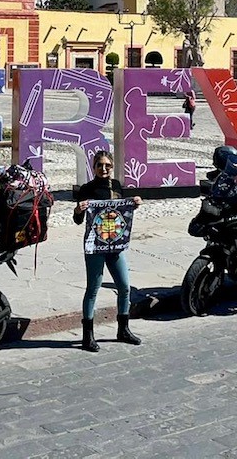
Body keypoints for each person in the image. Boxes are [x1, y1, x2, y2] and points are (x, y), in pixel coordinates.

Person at [73, 149, 143, 352]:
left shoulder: (117, 187)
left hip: (116, 245)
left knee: (125, 287)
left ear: (112, 167)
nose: (103, 169)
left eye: (107, 165)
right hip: (95, 246)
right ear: (93, 167)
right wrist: (79, 210)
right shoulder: (86, 189)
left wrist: (135, 204)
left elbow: (123, 211)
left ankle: (123, 329)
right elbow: (77, 220)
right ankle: (88, 336)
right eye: (99, 165)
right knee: (93, 289)